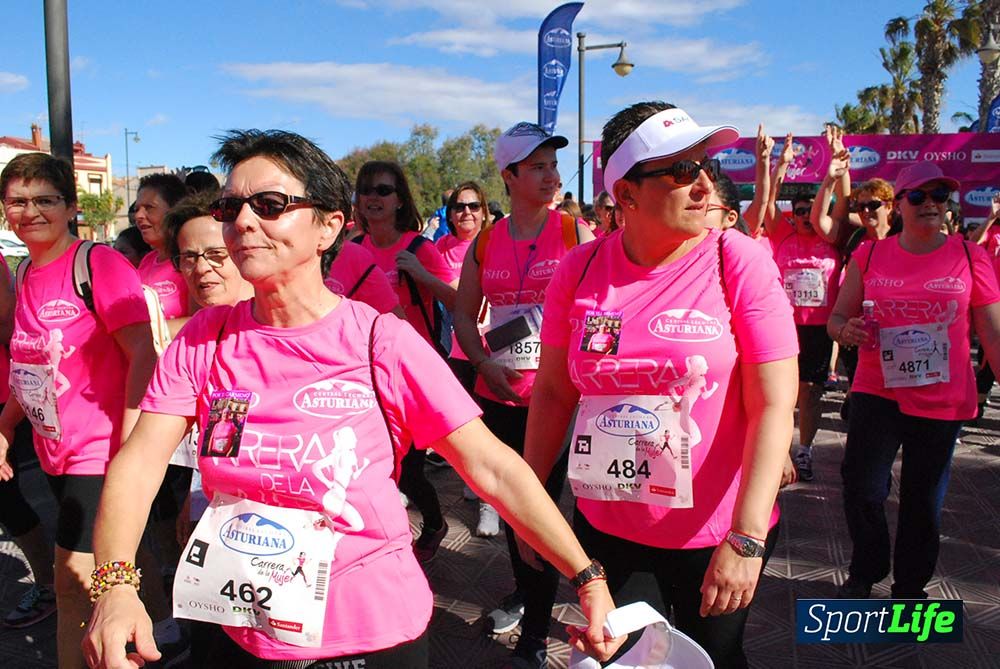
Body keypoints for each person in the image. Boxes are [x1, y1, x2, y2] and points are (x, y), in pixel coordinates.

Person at [81, 129, 622, 669]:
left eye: (270, 205)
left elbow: (491, 466)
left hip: (368, 633)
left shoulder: (379, 341)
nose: (242, 221)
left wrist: (585, 575)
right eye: (230, 206)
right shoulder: (205, 338)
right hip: (239, 624)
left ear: (329, 226)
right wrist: (115, 585)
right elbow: (139, 462)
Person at [520, 101, 798, 668]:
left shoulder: (736, 259)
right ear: (625, 194)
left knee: (715, 660)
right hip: (606, 527)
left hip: (714, 532)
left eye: (701, 166)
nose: (701, 184)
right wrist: (531, 508)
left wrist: (746, 540)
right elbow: (551, 394)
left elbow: (774, 402)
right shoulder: (578, 269)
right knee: (621, 661)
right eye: (678, 171)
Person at [0, 152, 156, 669]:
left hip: (101, 452)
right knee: (107, 577)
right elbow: (32, 369)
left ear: (70, 206)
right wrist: (4, 428)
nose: (31, 211)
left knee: (74, 584)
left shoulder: (99, 264)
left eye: (45, 200)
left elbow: (143, 355)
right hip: (52, 452)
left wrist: (133, 448)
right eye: (18, 201)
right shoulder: (23, 271)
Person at [454, 121, 594, 667]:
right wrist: (484, 363)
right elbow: (465, 316)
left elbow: (603, 311)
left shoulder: (574, 233)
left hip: (557, 400)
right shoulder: (486, 241)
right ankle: (526, 592)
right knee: (511, 509)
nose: (551, 176)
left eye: (553, 166)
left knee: (538, 510)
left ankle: (536, 629)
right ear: (509, 175)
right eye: (537, 167)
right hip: (500, 396)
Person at [828, 161, 1000, 600]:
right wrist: (846, 331)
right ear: (899, 204)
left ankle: (910, 587)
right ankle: (866, 570)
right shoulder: (870, 254)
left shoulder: (969, 256)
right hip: (876, 389)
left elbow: (994, 334)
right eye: (919, 196)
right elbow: (837, 318)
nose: (930, 204)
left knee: (923, 502)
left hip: (942, 400)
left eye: (939, 196)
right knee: (863, 487)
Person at [354, 160, 456, 561]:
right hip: (360, 373)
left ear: (400, 200)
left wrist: (422, 275)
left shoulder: (420, 247)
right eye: (366, 191)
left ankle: (433, 522)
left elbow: (460, 302)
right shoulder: (350, 250)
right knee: (372, 467)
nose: (373, 198)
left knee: (409, 470)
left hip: (409, 373)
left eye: (383, 191)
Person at [433, 181, 496, 535]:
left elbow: (457, 296)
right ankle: (474, 484)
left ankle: (491, 505)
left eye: (473, 206)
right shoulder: (440, 248)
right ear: (450, 213)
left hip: (497, 349)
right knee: (464, 426)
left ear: (484, 211)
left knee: (491, 431)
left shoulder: (494, 243)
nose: (466, 213)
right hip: (458, 350)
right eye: (459, 207)